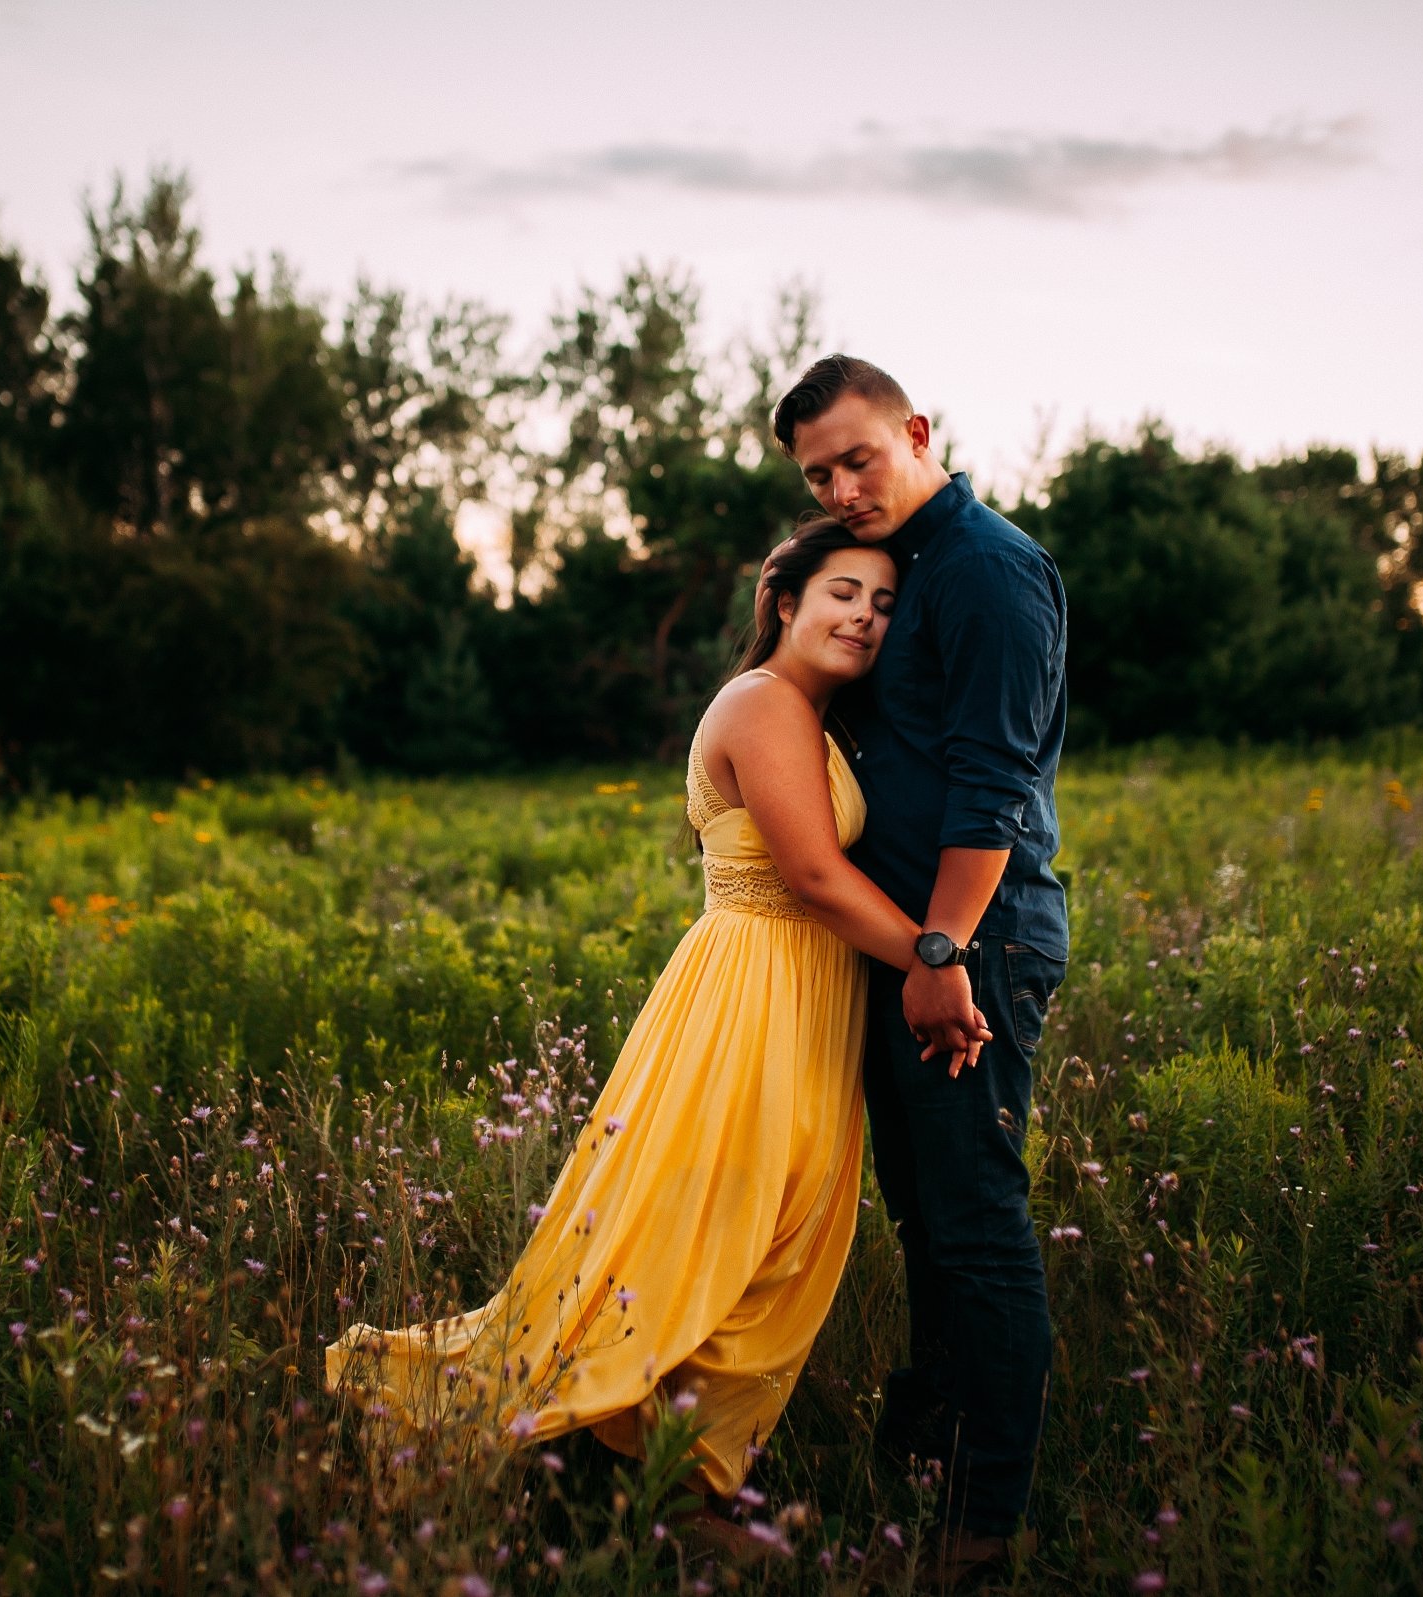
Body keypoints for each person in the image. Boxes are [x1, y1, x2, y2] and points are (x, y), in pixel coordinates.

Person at [325, 519, 975, 1530]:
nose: (866, 617)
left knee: (790, 1239)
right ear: (786, 600)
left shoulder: (814, 716)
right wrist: (943, 960)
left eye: (886, 605)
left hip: (807, 998)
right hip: (749, 991)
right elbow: (810, 872)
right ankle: (592, 1460)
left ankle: (675, 1470)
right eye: (846, 591)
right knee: (699, 1237)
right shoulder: (763, 703)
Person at [775, 354, 1071, 1578]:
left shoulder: (990, 569)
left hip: (969, 943)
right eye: (817, 475)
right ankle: (933, 1463)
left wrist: (942, 949)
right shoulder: (904, 568)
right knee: (927, 1223)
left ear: (916, 429)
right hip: (910, 946)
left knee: (975, 1224)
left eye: (858, 457)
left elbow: (992, 785)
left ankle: (980, 1528)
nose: (843, 487)